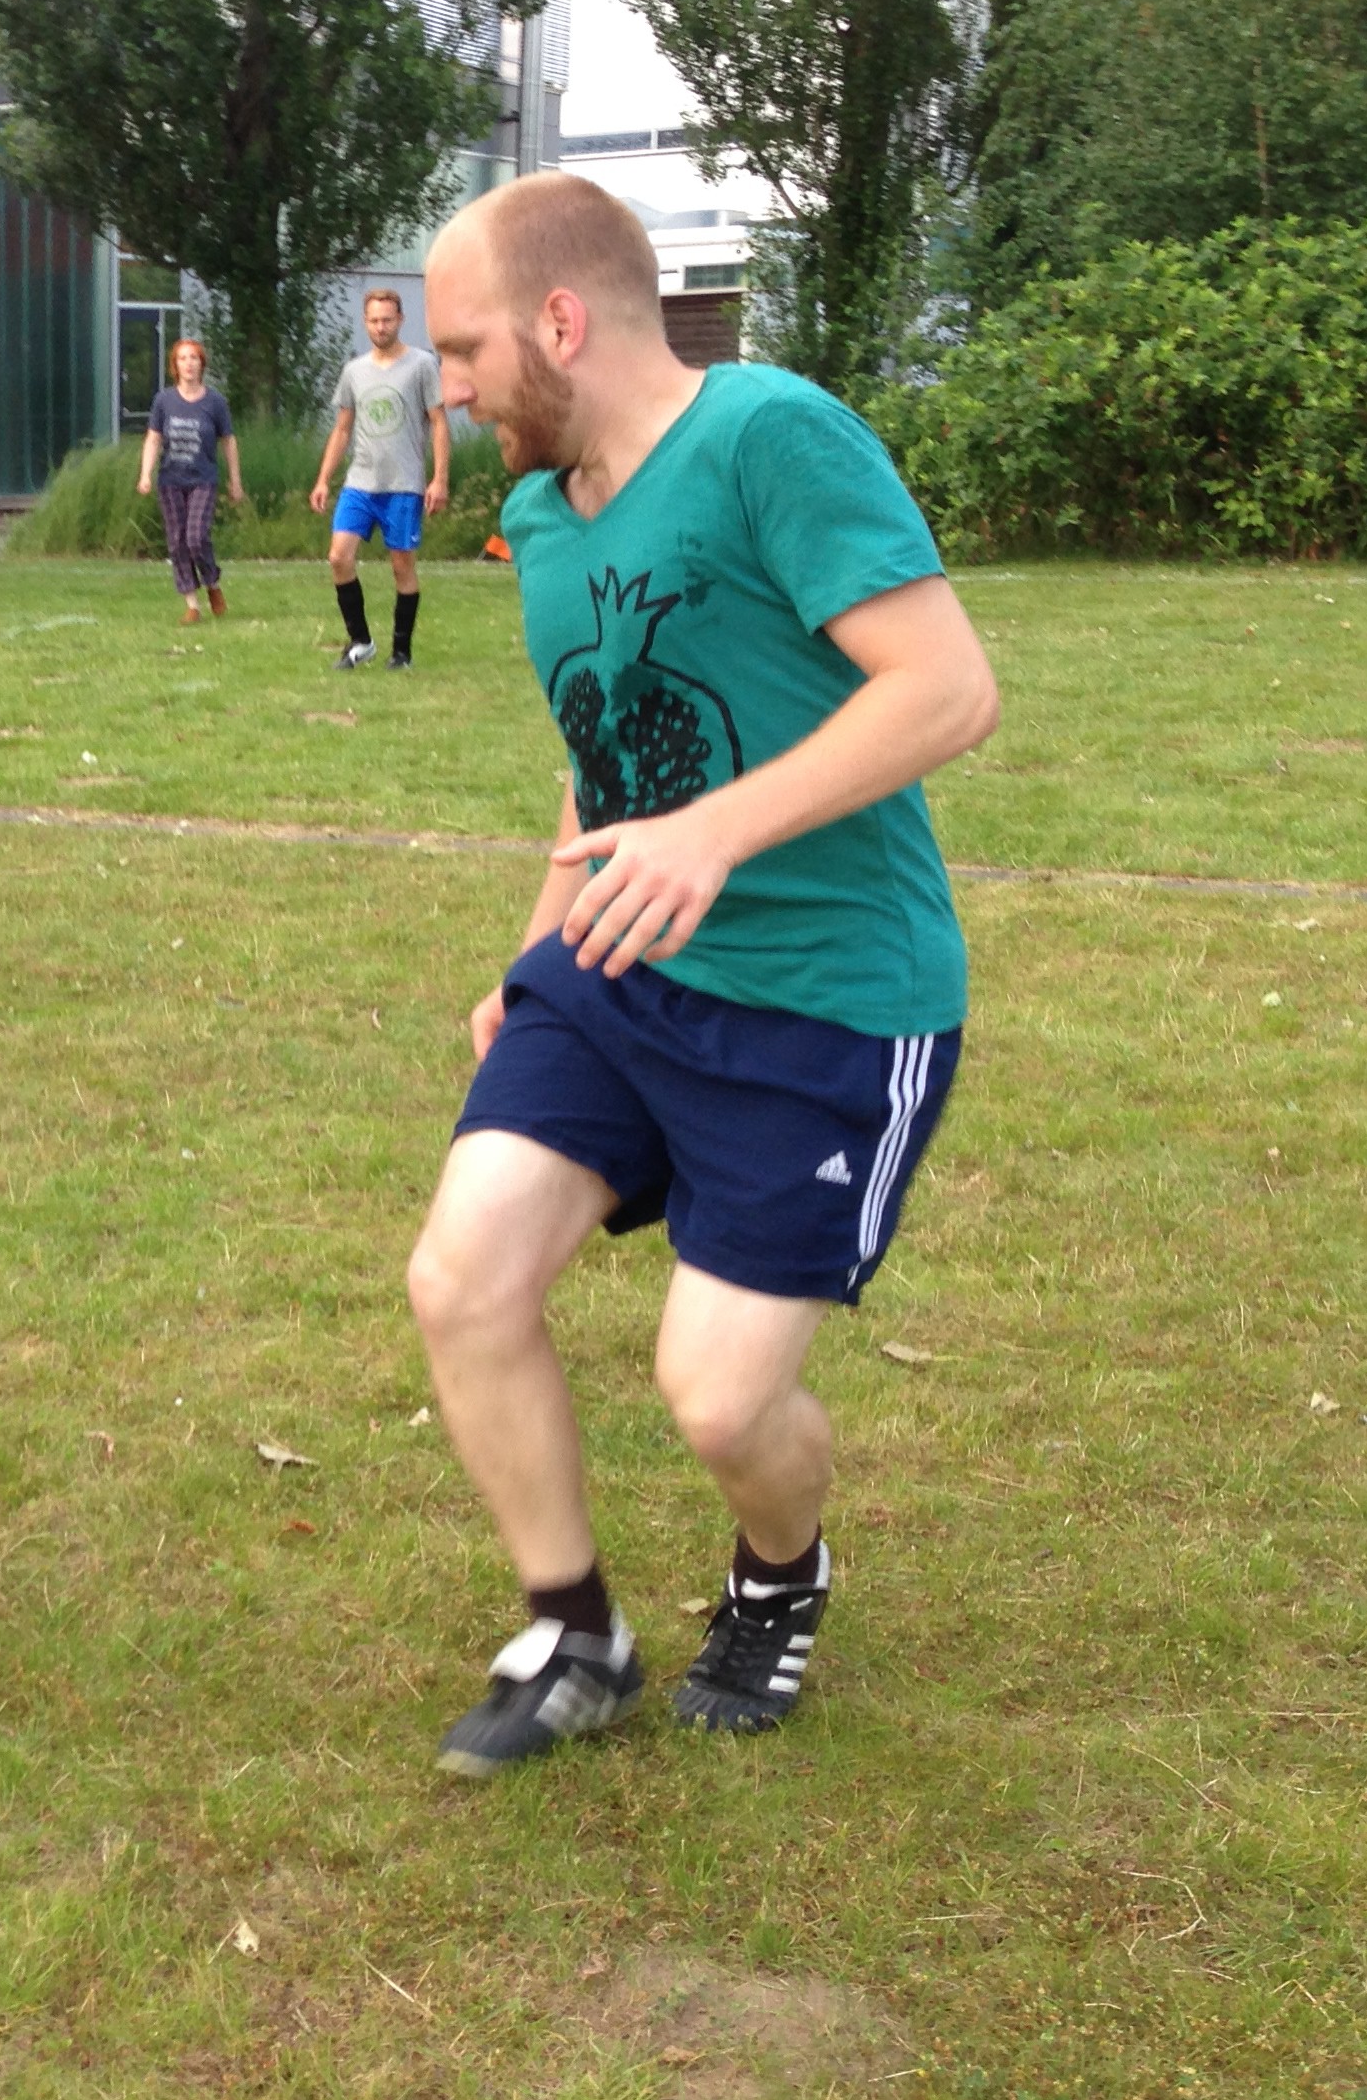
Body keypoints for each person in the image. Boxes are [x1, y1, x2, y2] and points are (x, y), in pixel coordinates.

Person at [401, 173, 1000, 1778]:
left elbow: (948, 688)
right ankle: (576, 1633)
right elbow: (599, 765)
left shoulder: (769, 439)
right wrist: (536, 956)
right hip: (622, 969)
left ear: (560, 322)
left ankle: (780, 1572)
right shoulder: (544, 516)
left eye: (463, 350)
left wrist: (717, 834)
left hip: (828, 994)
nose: (448, 389)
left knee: (721, 1402)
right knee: (464, 1278)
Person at [308, 288, 448, 670]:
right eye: (374, 320)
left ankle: (401, 652)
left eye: (387, 320)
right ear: (365, 322)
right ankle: (361, 642)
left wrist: (439, 479)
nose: (380, 327)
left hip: (403, 483)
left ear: (400, 320)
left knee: (402, 565)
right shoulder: (354, 371)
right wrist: (323, 479)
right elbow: (342, 428)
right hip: (360, 482)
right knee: (339, 557)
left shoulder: (421, 365)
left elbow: (438, 422)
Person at [136, 338, 244, 624]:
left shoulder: (215, 402)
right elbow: (153, 439)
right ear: (175, 365)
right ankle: (192, 605)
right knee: (177, 542)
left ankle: (212, 583)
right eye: (182, 358)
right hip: (170, 480)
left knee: (196, 537)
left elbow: (228, 441)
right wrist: (145, 474)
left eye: (194, 358)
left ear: (201, 364)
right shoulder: (164, 401)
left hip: (203, 480)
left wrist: (235, 481)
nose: (189, 364)